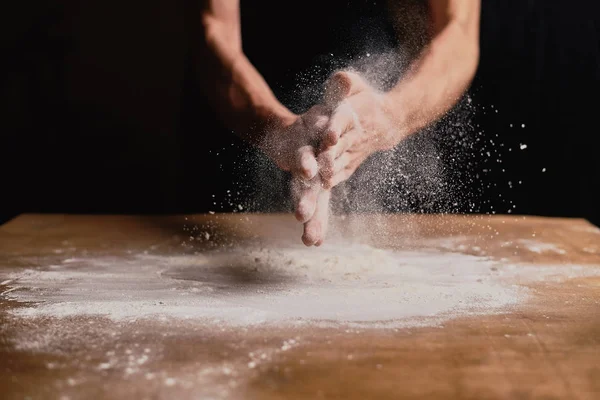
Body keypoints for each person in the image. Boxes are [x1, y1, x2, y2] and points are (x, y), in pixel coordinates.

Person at [199, 0, 481, 246]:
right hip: (244, 111)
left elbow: (458, 31)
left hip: (396, 98)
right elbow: (214, 30)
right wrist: (278, 130)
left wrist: (390, 115)